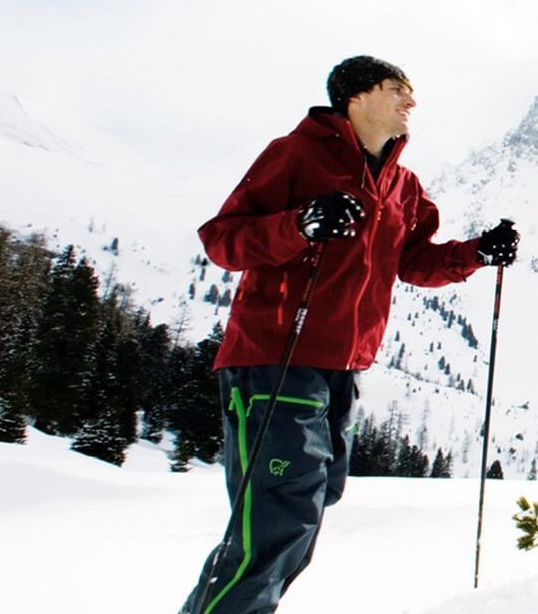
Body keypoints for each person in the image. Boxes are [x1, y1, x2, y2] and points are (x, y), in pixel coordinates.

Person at [180, 55, 519, 614]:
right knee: (279, 515)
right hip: (276, 359)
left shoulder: (403, 186)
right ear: (354, 98)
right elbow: (222, 239)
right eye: (396, 90)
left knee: (309, 505)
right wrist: (301, 224)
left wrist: (477, 253)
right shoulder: (296, 155)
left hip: (342, 369)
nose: (410, 102)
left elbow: (415, 262)